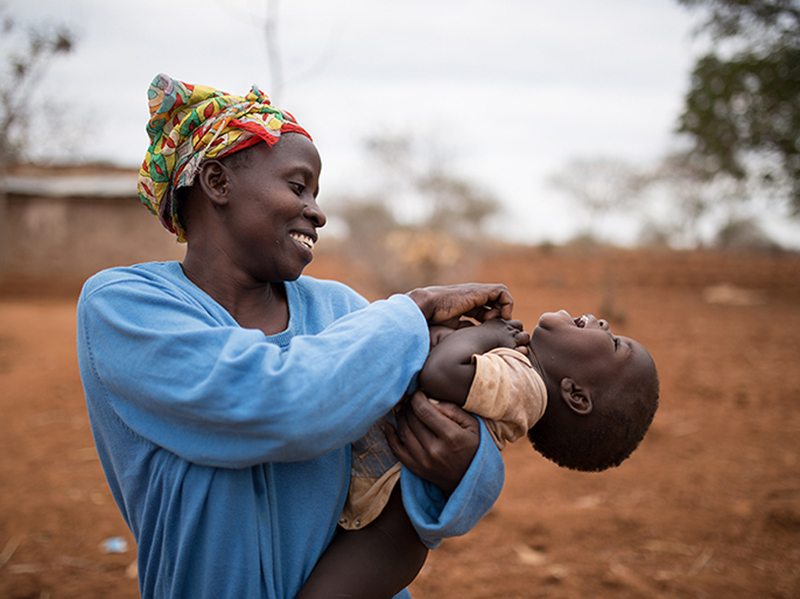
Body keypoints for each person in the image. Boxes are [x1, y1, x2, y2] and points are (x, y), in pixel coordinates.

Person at [75, 73, 514, 599]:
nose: (318, 211)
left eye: (317, 193)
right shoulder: (125, 305)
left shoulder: (340, 310)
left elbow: (446, 435)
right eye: (297, 185)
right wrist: (414, 308)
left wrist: (465, 464)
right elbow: (271, 404)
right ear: (218, 184)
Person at [297, 310, 659, 597]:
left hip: (391, 526)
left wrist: (488, 334)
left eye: (613, 344)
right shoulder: (518, 372)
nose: (604, 323)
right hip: (391, 522)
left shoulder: (525, 384)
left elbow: (441, 372)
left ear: (576, 395)